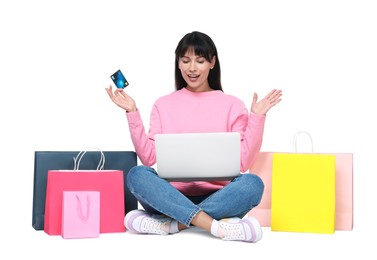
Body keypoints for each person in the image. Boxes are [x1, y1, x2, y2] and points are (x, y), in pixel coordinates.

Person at [106, 31, 282, 243]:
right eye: (186, 60)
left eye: (200, 61)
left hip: (220, 197)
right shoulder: (163, 104)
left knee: (252, 184)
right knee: (137, 175)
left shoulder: (233, 105)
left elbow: (244, 162)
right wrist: (132, 112)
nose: (192, 68)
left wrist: (258, 117)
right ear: (178, 64)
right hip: (170, 196)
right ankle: (216, 226)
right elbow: (149, 158)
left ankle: (171, 224)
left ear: (212, 63)